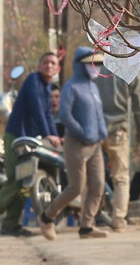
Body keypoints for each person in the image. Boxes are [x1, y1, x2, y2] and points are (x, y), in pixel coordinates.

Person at [0, 53, 62, 237]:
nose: (49, 66)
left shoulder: (47, 87)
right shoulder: (33, 80)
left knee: (26, 182)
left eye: (53, 63)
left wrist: (54, 137)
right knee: (15, 180)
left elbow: (48, 114)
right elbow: (36, 109)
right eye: (46, 62)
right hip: (16, 136)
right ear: (39, 66)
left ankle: (10, 224)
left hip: (30, 140)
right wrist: (48, 133)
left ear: (57, 69)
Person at [38, 47, 110, 240]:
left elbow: (98, 113)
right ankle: (47, 217)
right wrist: (81, 131)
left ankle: (86, 225)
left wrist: (102, 132)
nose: (96, 68)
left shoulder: (93, 87)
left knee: (97, 185)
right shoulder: (71, 87)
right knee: (76, 187)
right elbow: (65, 115)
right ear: (81, 65)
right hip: (76, 144)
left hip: (95, 144)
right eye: (92, 64)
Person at [94, 66, 140, 230]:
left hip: (94, 129)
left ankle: (90, 217)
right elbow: (139, 107)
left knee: (92, 174)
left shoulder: (95, 65)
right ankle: (118, 219)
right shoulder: (129, 70)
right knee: (121, 177)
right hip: (117, 131)